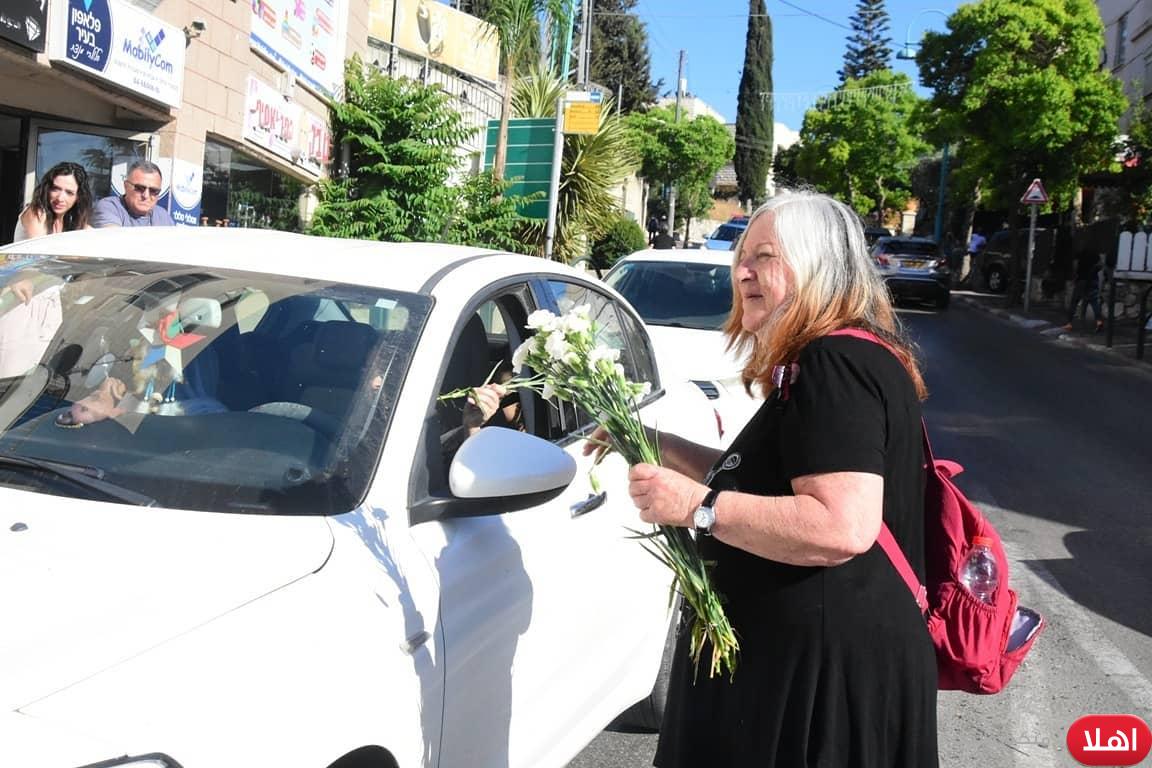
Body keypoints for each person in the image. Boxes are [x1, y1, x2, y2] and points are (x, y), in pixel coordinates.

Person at [587, 190, 937, 767]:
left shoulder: (835, 363)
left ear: (816, 268)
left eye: (764, 257)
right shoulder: (836, 358)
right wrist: (655, 444)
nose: (742, 272)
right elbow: (764, 480)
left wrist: (697, 507)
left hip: (819, 686)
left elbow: (841, 526)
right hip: (815, 666)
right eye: (742, 257)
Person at [13, 162, 93, 241]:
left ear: (78, 197)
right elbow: (41, 247)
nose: (60, 198)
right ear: (47, 188)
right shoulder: (37, 212)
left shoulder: (70, 222)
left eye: (69, 193)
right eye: (55, 189)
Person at [92, 160, 175, 227]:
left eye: (153, 191)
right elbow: (116, 239)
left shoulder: (163, 217)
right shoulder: (110, 207)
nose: (146, 195)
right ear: (126, 186)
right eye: (140, 188)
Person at [1063, 249, 1105, 333]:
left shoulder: (1080, 253)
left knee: (1074, 302)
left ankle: (1069, 324)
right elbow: (1101, 265)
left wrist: (1075, 275)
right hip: (1093, 280)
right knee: (1094, 302)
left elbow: (1075, 265)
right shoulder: (1095, 253)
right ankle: (1099, 322)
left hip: (1082, 280)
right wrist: (1094, 271)